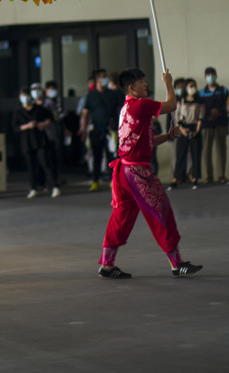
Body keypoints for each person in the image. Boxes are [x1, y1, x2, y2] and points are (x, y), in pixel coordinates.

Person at [97, 67, 202, 280]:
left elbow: (146, 143)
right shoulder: (141, 104)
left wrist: (167, 136)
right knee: (160, 212)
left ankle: (107, 265)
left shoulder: (127, 109)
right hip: (137, 173)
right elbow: (172, 105)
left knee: (122, 217)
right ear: (131, 88)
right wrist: (169, 83)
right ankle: (176, 263)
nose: (146, 85)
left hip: (124, 172)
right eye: (142, 82)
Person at [80, 69, 120, 192]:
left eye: (106, 76)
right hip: (96, 129)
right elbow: (85, 113)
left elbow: (119, 109)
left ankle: (114, 181)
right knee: (96, 155)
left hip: (111, 130)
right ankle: (95, 180)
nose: (105, 79)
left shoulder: (113, 94)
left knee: (112, 156)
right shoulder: (91, 96)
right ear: (97, 80)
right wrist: (84, 129)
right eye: (103, 77)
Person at [14, 86, 58, 198]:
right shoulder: (19, 112)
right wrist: (27, 126)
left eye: (27, 96)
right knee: (31, 166)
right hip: (26, 141)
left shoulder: (39, 109)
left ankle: (54, 186)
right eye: (23, 96)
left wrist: (43, 124)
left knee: (45, 163)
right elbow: (15, 128)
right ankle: (33, 187)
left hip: (39, 140)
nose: (26, 98)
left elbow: (50, 117)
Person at [198, 66, 228, 184]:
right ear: (205, 77)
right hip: (206, 124)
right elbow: (199, 108)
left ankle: (221, 175)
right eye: (208, 75)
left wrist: (218, 112)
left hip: (221, 123)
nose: (210, 77)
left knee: (221, 150)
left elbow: (227, 105)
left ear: (216, 75)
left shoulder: (223, 90)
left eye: (212, 74)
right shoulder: (201, 93)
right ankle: (209, 176)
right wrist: (209, 114)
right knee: (207, 151)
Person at [172, 78, 203, 190]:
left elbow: (200, 116)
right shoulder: (182, 100)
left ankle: (195, 178)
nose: (192, 88)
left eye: (194, 86)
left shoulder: (199, 101)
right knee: (180, 154)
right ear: (186, 88)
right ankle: (176, 178)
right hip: (183, 127)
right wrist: (182, 129)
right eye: (190, 86)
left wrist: (197, 130)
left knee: (196, 154)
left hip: (195, 128)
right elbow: (177, 115)